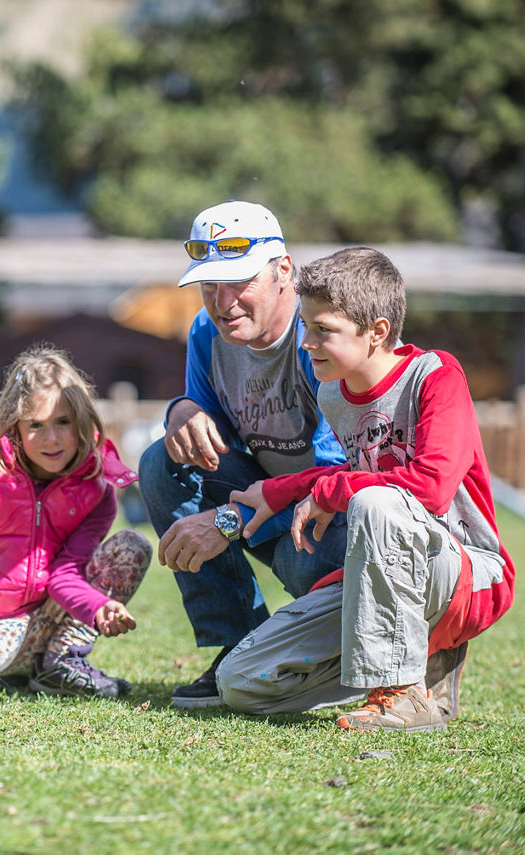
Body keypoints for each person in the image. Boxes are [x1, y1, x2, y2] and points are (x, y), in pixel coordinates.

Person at [220, 246, 515, 729]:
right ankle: (408, 668)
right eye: (306, 326)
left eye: (323, 330)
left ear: (377, 332)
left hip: (467, 572)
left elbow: (432, 487)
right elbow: (365, 470)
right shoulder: (333, 392)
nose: (306, 343)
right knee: (242, 682)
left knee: (376, 503)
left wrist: (333, 490)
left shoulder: (436, 375)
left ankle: (403, 695)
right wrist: (279, 491)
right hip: (385, 570)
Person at [137, 200, 348, 709]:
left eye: (239, 282)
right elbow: (209, 442)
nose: (222, 300)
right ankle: (238, 644)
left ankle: (358, 651)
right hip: (271, 509)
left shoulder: (323, 335)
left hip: (338, 515)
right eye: (209, 284)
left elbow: (352, 470)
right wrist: (182, 410)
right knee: (162, 463)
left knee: (303, 563)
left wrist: (230, 520)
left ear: (284, 272)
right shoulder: (207, 333)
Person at [0, 344, 153, 698]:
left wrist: (98, 607)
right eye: (36, 425)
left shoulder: (96, 493)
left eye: (63, 422)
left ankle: (61, 663)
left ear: (81, 422)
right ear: (14, 427)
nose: (51, 438)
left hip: (45, 621)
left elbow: (65, 575)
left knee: (132, 546)